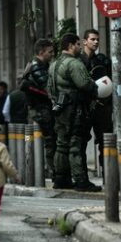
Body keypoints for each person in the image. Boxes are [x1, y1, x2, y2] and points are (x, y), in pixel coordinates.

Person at [46, 34, 100, 192]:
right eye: (77, 44)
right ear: (70, 46)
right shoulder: (74, 63)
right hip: (75, 110)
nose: (79, 47)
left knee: (61, 145)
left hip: (60, 109)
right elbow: (84, 84)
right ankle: (81, 180)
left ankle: (61, 179)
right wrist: (94, 85)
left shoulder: (54, 64)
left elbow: (49, 88)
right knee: (76, 144)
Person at [78, 29, 112, 174]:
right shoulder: (77, 61)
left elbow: (111, 80)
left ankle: (108, 174)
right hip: (84, 106)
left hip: (102, 106)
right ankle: (82, 174)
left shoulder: (103, 60)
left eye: (98, 39)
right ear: (85, 41)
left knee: (105, 140)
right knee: (81, 141)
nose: (96, 42)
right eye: (92, 39)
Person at [21, 38, 56, 177]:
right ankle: (51, 170)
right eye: (50, 52)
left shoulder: (36, 65)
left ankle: (44, 170)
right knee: (49, 139)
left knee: (43, 139)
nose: (52, 54)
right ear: (41, 52)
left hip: (38, 108)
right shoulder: (37, 67)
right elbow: (48, 87)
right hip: (40, 108)